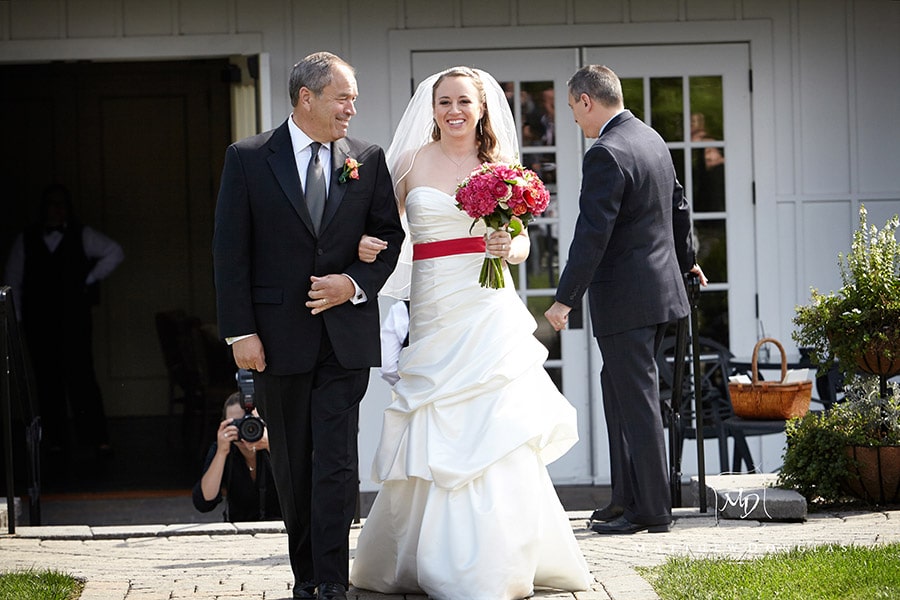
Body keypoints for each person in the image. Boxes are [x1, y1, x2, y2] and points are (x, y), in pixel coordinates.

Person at [350, 66, 592, 600]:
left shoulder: (499, 166)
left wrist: (511, 247)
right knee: (435, 413)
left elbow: (522, 240)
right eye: (444, 102)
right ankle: (422, 553)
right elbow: (380, 227)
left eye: (463, 101)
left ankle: (500, 556)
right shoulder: (410, 162)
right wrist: (363, 246)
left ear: (481, 108)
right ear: (432, 109)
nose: (453, 111)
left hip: (488, 306)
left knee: (494, 418)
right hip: (434, 305)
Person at [212, 52, 404, 600]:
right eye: (343, 98)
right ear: (306, 98)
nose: (351, 109)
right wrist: (240, 333)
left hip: (345, 339)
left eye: (353, 99)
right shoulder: (248, 158)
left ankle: (334, 581)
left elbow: (389, 238)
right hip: (276, 341)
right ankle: (307, 579)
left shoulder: (367, 158)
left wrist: (354, 282)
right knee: (294, 463)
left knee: (337, 461)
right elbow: (230, 251)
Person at [544, 65, 707, 536]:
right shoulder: (651, 139)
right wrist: (687, 261)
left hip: (627, 299)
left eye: (574, 110)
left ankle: (651, 510)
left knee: (635, 401)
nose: (576, 120)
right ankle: (626, 498)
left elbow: (592, 234)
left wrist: (564, 299)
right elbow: (679, 207)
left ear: (586, 100)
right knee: (618, 391)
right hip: (659, 294)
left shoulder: (605, 153)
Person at [3, 183, 124, 456]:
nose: (56, 210)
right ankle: (55, 440)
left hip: (73, 319)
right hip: (39, 321)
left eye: (61, 204)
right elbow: (13, 279)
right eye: (52, 204)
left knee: (81, 375)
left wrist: (87, 278)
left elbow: (114, 251)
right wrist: (17, 319)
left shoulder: (82, 234)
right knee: (47, 379)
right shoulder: (27, 239)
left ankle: (94, 437)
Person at [192, 392, 281, 522]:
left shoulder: (279, 446)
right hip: (239, 527)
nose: (245, 429)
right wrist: (221, 453)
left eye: (250, 422)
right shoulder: (223, 449)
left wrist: (271, 446)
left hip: (281, 525)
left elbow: (302, 489)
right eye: (237, 424)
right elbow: (204, 501)